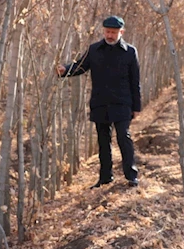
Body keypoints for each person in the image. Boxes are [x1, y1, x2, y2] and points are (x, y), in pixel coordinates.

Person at [56, 16, 141, 188]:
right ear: (103, 31)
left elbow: (135, 81)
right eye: (107, 32)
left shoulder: (130, 52)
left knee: (124, 137)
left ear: (121, 32)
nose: (110, 35)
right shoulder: (94, 50)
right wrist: (65, 70)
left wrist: (136, 107)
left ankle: (131, 176)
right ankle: (105, 178)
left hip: (122, 102)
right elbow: (80, 66)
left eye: (114, 32)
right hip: (100, 102)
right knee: (103, 141)